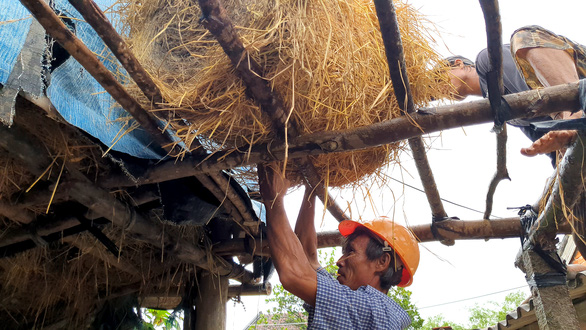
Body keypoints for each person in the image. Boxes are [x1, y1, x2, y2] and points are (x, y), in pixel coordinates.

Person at [258, 163, 420, 329]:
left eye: (351, 252)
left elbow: (294, 276)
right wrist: (310, 190)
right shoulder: (354, 301)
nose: (339, 262)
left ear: (382, 262)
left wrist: (273, 199)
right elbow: (307, 258)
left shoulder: (375, 310)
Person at [444, 25, 586, 160]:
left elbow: (530, 81)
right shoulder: (507, 115)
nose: (440, 90)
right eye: (435, 93)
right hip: (570, 123)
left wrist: (568, 118)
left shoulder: (486, 60)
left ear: (459, 64)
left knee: (522, 36)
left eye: (439, 79)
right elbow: (550, 143)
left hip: (580, 77)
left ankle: (572, 114)